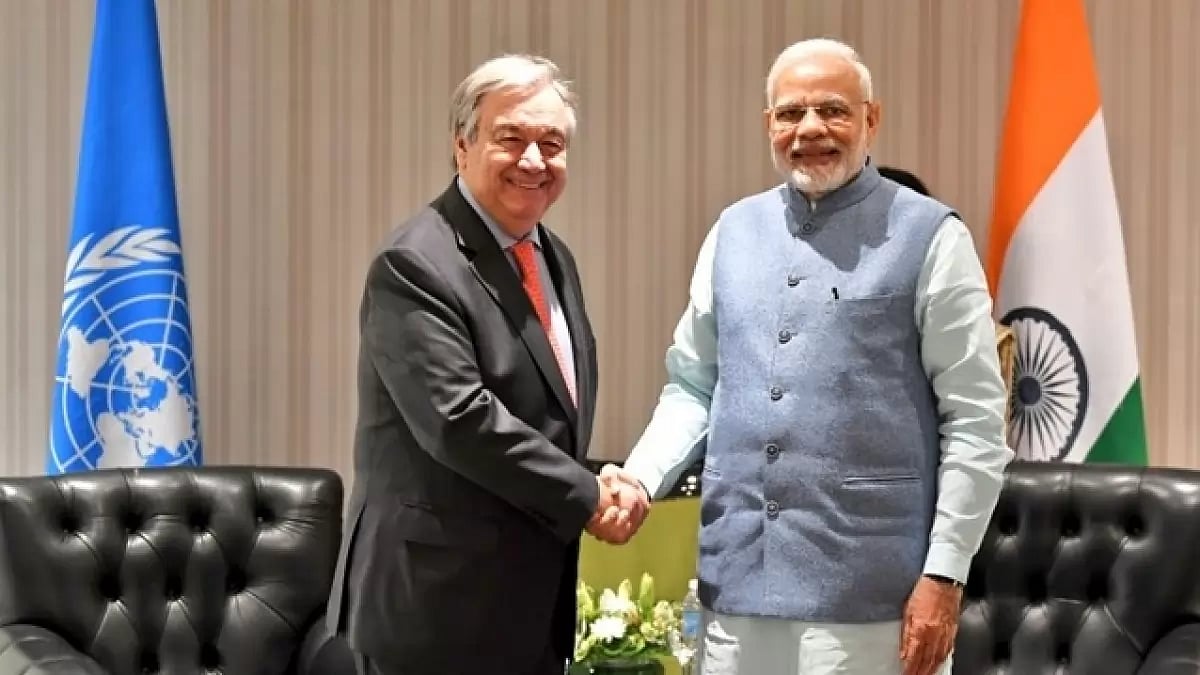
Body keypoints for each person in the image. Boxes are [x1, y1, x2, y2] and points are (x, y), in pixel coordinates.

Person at [616, 38, 1013, 675]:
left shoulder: (932, 234)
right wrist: (638, 478)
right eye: (789, 113)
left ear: (870, 119)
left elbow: (974, 423)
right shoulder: (731, 232)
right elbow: (693, 385)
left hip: (872, 599)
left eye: (832, 110)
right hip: (735, 588)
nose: (810, 130)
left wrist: (945, 573)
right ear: (768, 125)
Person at [326, 54, 648, 675]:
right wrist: (588, 492)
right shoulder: (416, 263)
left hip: (524, 602)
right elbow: (459, 420)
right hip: (436, 607)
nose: (534, 160)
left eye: (551, 144)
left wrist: (608, 478)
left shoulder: (551, 255)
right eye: (511, 138)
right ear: (462, 146)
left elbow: (546, 413)